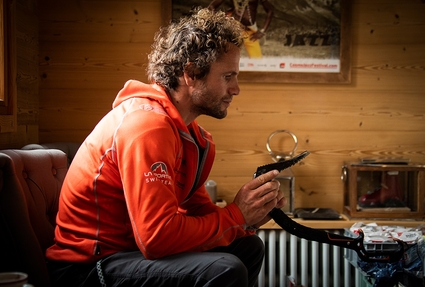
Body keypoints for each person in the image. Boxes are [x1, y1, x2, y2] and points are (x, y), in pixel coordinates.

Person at [45, 8, 285, 287]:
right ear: (192, 73)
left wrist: (247, 220)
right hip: (85, 267)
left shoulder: (188, 134)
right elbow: (156, 239)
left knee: (249, 247)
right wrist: (236, 215)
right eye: (227, 76)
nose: (236, 89)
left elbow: (196, 212)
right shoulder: (147, 126)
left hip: (127, 253)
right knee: (225, 269)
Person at [208, 0, 274, 58]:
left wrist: (262, 31)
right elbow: (211, 7)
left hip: (250, 31)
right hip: (233, 29)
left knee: (257, 60)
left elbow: (270, 11)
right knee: (228, 58)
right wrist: (220, 22)